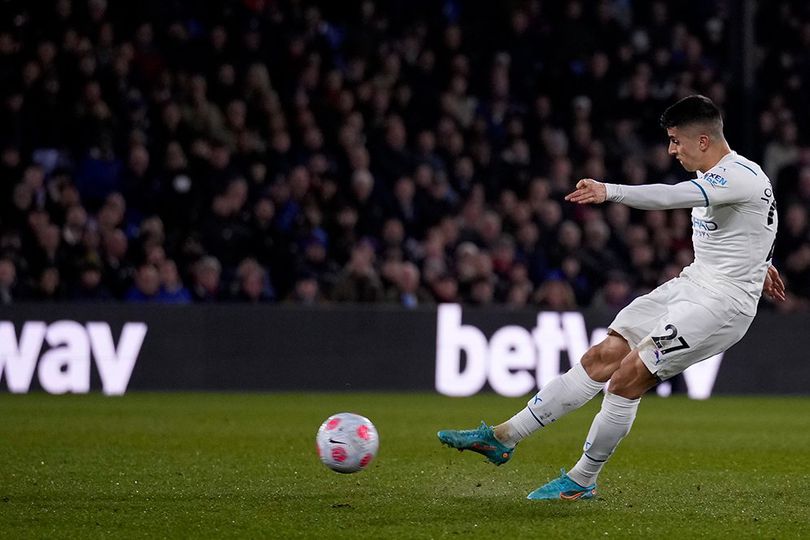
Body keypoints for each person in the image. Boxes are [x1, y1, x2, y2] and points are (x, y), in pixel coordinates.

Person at [437, 95, 786, 500]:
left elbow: (672, 197)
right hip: (692, 284)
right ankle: (504, 437)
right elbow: (757, 223)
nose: (672, 150)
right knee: (602, 357)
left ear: (703, 140)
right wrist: (761, 263)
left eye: (676, 141)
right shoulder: (728, 177)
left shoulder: (738, 175)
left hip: (721, 305)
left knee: (625, 379)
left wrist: (610, 191)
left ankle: (582, 480)